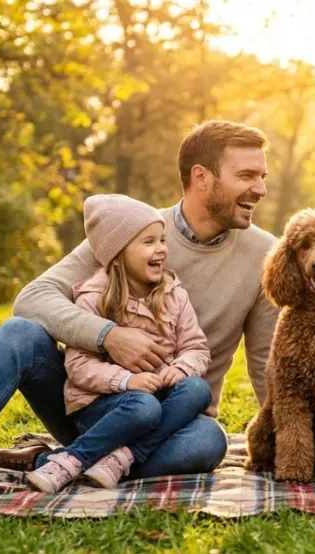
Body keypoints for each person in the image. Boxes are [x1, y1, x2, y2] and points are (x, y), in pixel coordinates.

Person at [0, 120, 278, 506]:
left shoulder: (265, 254)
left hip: (175, 422)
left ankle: (51, 462)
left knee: (209, 442)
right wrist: (108, 335)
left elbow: (267, 363)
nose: (260, 188)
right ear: (201, 177)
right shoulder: (133, 230)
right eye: (246, 176)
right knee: (20, 333)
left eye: (261, 176)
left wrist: (294, 441)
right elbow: (34, 297)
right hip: (95, 404)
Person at [25, 195, 212, 493]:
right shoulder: (93, 298)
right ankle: (71, 459)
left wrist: (181, 368)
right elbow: (79, 368)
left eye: (162, 240)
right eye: (148, 242)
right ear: (118, 253)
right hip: (104, 409)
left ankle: (120, 457)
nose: (161, 249)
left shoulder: (175, 293)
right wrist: (127, 381)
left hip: (157, 403)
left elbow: (196, 348)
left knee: (200, 396)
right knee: (143, 407)